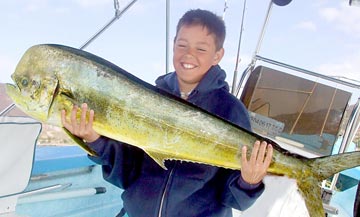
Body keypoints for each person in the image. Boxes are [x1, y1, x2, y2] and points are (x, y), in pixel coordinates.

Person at [61, 9, 273, 217]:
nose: (188, 54)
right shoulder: (147, 98)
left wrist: (249, 181)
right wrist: (94, 139)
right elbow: (126, 174)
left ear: (218, 55)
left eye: (201, 49)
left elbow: (233, 200)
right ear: (173, 46)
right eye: (182, 45)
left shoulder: (231, 110)